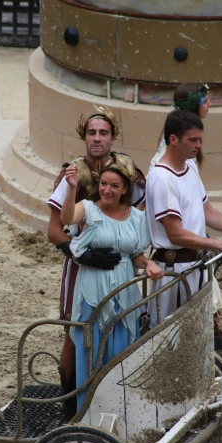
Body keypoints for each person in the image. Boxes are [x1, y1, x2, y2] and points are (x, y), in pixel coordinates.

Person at [144, 111, 222, 351]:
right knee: (170, 344)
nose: (199, 145)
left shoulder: (190, 167)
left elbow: (207, 211)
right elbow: (176, 234)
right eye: (193, 140)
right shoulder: (161, 178)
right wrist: (220, 244)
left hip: (197, 266)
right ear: (173, 139)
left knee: (199, 339)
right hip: (174, 272)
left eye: (200, 139)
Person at [46, 105, 146, 408]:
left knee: (120, 328)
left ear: (113, 138)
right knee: (75, 334)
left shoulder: (128, 171)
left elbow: (137, 214)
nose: (97, 139)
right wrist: (81, 255)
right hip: (82, 268)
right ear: (83, 137)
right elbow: (54, 229)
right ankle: (69, 408)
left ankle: (114, 402)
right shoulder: (72, 173)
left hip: (119, 268)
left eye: (103, 133)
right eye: (92, 133)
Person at [61, 162, 163, 409]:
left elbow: (134, 254)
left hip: (124, 291)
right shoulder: (87, 209)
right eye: (104, 184)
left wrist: (148, 263)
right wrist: (71, 188)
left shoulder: (137, 218)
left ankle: (121, 410)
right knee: (92, 349)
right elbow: (65, 218)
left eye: (114, 186)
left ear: (125, 189)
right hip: (92, 289)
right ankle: (90, 410)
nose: (107, 190)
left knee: (120, 351)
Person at [149, 83, 210, 168]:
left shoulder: (188, 130)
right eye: (205, 101)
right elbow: (160, 166)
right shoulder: (178, 137)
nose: (209, 104)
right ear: (194, 105)